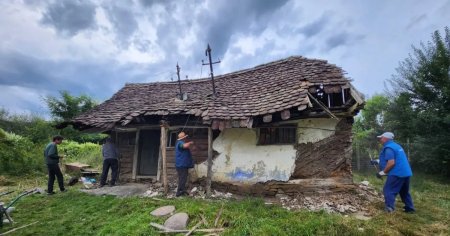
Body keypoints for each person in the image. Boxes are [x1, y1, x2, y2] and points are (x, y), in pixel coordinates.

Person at [374, 132, 415, 213]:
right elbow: (394, 158)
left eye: (381, 138)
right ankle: (410, 208)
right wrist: (377, 161)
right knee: (404, 191)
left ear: (385, 138)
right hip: (405, 172)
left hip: (397, 173)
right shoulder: (396, 146)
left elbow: (391, 162)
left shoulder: (388, 148)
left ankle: (389, 209)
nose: (380, 140)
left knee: (388, 190)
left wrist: (382, 172)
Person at [175, 131, 194, 197]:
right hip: (181, 165)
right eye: (185, 137)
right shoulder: (180, 143)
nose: (186, 138)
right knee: (182, 179)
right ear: (183, 138)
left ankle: (182, 190)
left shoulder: (180, 142)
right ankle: (179, 192)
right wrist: (190, 143)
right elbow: (184, 146)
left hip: (182, 165)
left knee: (183, 178)